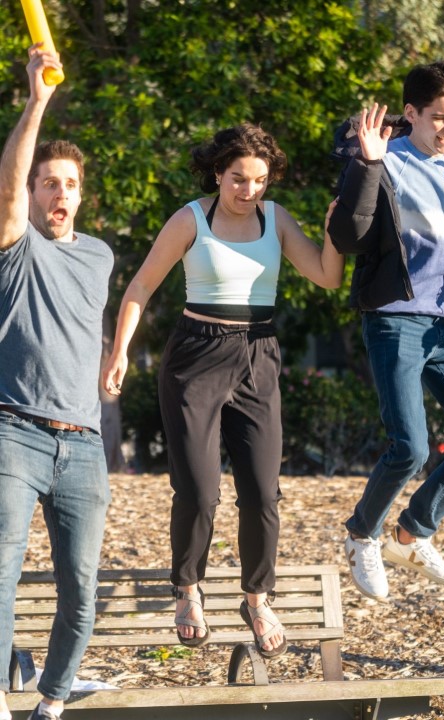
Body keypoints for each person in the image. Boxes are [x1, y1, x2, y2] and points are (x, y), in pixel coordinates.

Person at [103, 123, 344, 657]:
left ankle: (257, 598)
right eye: (238, 178)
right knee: (199, 490)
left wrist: (335, 233)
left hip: (259, 354)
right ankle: (188, 588)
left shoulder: (276, 219)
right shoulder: (191, 218)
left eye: (259, 180)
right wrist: (120, 351)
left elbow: (328, 276)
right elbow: (141, 285)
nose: (249, 190)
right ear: (218, 173)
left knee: (262, 492)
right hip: (197, 355)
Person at [328, 61, 444, 602]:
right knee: (410, 448)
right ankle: (361, 535)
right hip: (395, 317)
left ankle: (412, 534)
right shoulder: (383, 157)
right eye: (438, 117)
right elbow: (348, 236)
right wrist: (367, 163)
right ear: (410, 113)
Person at [0, 46, 113, 720]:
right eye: (48, 182)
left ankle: (53, 700)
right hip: (13, 430)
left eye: (69, 183)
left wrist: (119, 352)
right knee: (0, 572)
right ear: (32, 191)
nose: (59, 193)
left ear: (81, 194)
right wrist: (37, 100)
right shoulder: (16, 247)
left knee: (82, 588)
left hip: (85, 444)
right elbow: (7, 194)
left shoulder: (99, 255)